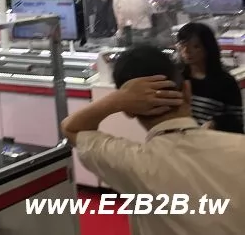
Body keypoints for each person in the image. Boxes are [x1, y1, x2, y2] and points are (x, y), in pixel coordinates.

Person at [62, 45, 245, 235]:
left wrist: (118, 100)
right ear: (187, 90)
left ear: (128, 111)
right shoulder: (239, 147)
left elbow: (71, 128)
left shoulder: (130, 163)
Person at [176, 22, 243, 133]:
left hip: (213, 140)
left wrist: (216, 123)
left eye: (195, 46)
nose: (186, 51)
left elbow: (237, 120)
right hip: (181, 140)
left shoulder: (225, 82)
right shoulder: (178, 79)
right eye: (182, 45)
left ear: (208, 48)